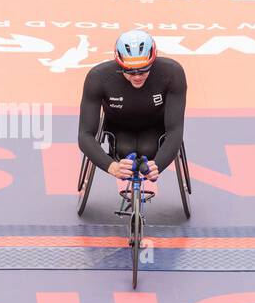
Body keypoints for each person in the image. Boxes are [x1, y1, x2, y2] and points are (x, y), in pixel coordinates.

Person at [77, 29, 187, 190]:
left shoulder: (172, 73)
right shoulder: (98, 77)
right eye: (129, 70)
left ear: (153, 60)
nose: (137, 76)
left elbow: (176, 130)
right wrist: (111, 166)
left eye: (143, 69)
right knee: (125, 150)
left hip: (155, 127)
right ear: (118, 62)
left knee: (147, 149)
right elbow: (85, 134)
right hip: (118, 128)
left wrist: (158, 165)